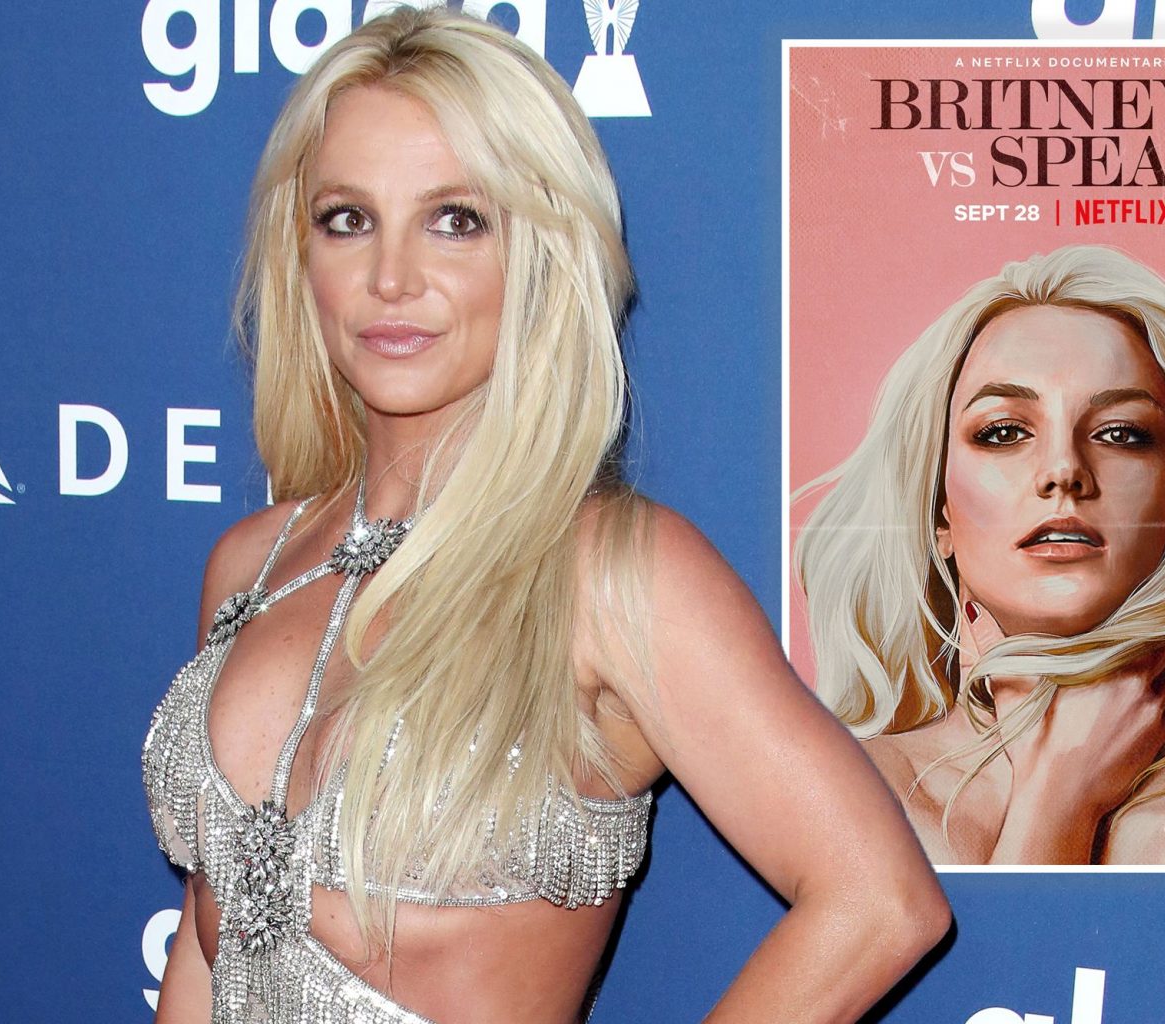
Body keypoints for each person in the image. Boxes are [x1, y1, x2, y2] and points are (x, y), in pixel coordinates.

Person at [143, 8, 949, 1022]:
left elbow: (879, 902)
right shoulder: (251, 564)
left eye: (456, 219)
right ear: (297, 251)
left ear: (543, 250)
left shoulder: (612, 573)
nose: (391, 278)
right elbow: (208, 941)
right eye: (347, 219)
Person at [795, 244, 1165, 866]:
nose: (1063, 470)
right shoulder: (844, 791)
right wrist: (1060, 797)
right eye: (1003, 432)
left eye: (1121, 433)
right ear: (939, 510)